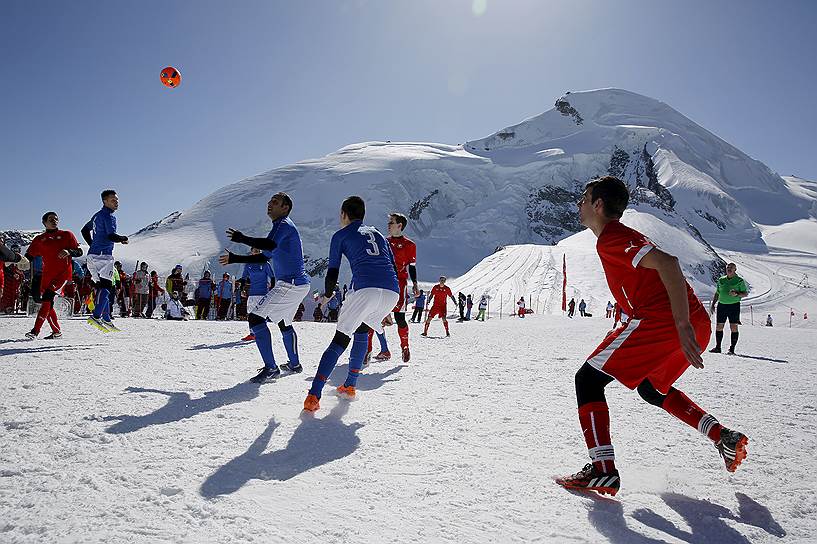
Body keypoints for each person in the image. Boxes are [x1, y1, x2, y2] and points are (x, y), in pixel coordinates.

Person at [555, 176, 748, 497]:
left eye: (584, 199)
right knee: (650, 389)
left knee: (587, 380)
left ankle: (603, 470)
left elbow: (668, 263)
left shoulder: (613, 237)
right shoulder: (617, 237)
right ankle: (721, 435)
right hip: (686, 321)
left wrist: (680, 322)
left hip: (667, 321)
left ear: (598, 205)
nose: (579, 204)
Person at [303, 196, 399, 412]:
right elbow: (391, 264)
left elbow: (332, 273)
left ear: (344, 214)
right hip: (392, 291)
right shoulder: (378, 235)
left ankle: (314, 395)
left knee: (340, 339)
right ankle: (349, 386)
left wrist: (327, 296)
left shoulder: (341, 235)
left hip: (367, 288)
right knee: (363, 330)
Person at [219, 192, 311, 383]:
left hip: (291, 283)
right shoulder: (280, 228)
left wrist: (242, 238)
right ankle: (294, 364)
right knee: (284, 323)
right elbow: (264, 256)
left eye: (275, 202)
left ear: (285, 208)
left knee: (255, 318)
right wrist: (236, 258)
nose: (269, 204)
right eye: (269, 202)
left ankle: (271, 368)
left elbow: (267, 245)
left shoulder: (283, 225)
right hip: (298, 283)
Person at [24, 212, 83, 339]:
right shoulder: (39, 239)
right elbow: (28, 256)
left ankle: (35, 331)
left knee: (47, 298)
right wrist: (19, 262)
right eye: (51, 219)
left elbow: (79, 252)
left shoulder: (66, 235)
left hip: (62, 274)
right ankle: (56, 332)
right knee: (48, 304)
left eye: (56, 219)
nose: (54, 220)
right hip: (47, 276)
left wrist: (68, 251)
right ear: (44, 222)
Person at [81, 189, 128, 331]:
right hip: (103, 257)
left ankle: (107, 319)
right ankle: (96, 316)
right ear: (105, 201)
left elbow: (84, 230)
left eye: (117, 200)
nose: (116, 202)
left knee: (103, 288)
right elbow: (111, 236)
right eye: (113, 200)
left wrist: (93, 244)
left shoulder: (96, 215)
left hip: (92, 255)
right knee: (107, 288)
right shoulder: (109, 216)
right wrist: (122, 239)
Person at [382, 212, 419, 362]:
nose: (388, 225)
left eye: (391, 222)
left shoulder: (410, 245)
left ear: (399, 226)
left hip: (399, 284)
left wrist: (415, 284)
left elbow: (412, 267)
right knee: (374, 316)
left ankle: (405, 346)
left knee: (400, 317)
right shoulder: (383, 242)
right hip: (383, 283)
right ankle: (368, 350)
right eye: (389, 222)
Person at [709, 262, 748, 355]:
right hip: (722, 305)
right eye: (728, 267)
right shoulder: (721, 280)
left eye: (731, 267)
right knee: (719, 326)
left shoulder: (739, 281)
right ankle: (718, 347)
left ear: (735, 270)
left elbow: (745, 293)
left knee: (733, 327)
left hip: (734, 306)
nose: (729, 269)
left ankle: (732, 349)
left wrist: (737, 294)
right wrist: (713, 304)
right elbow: (717, 292)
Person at [239, 249, 275, 339]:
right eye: (254, 251)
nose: (256, 252)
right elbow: (243, 278)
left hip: (263, 293)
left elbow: (272, 277)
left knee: (261, 314)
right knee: (251, 314)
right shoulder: (248, 265)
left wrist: (271, 288)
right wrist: (241, 290)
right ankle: (252, 334)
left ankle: (262, 334)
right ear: (252, 252)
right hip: (252, 294)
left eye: (258, 251)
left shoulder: (265, 264)